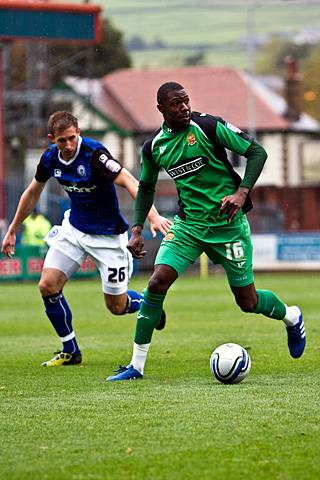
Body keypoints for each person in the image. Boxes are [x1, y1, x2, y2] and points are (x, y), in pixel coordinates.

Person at [107, 81, 306, 381]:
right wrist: (136, 228)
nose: (184, 107)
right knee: (157, 282)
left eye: (186, 101)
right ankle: (136, 366)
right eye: (176, 103)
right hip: (188, 227)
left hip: (228, 226)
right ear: (161, 109)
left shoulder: (208, 126)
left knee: (247, 302)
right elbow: (146, 187)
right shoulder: (154, 147)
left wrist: (241, 193)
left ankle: (291, 317)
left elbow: (257, 151)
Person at [1, 111, 172, 367]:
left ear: (78, 132)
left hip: (107, 237)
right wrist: (13, 228)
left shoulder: (95, 155)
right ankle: (70, 350)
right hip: (74, 229)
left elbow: (128, 180)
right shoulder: (49, 158)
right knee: (47, 285)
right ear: (52, 139)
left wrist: (153, 216)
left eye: (72, 138)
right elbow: (33, 191)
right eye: (62, 141)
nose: (68, 146)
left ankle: (149, 303)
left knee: (116, 306)